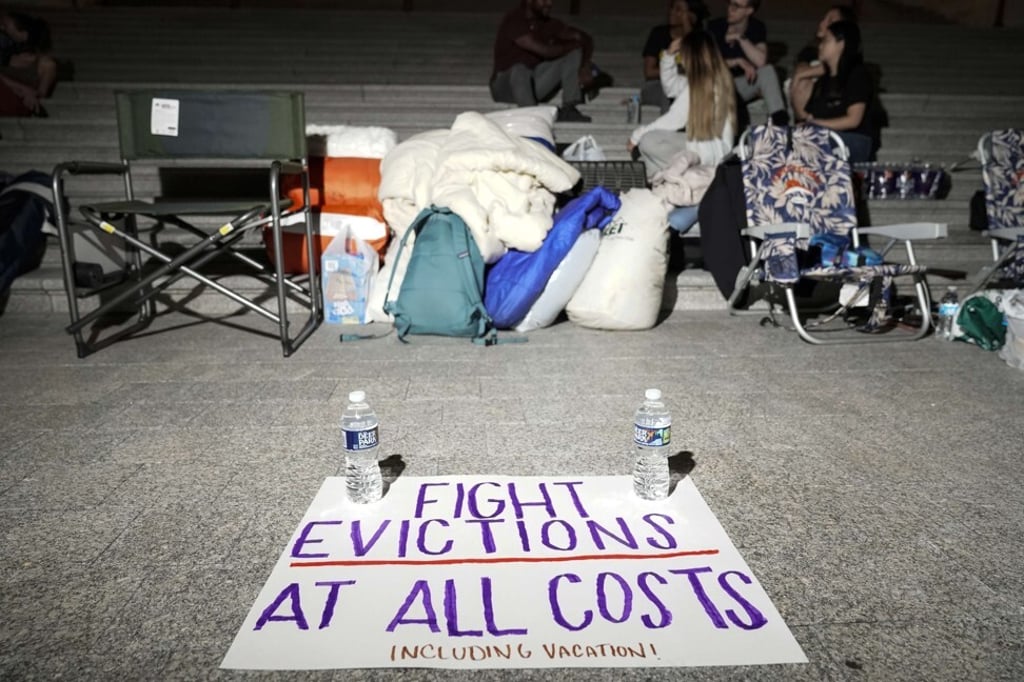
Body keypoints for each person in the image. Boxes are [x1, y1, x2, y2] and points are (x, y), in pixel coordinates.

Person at [629, 30, 737, 178]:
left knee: (649, 141)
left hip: (707, 153)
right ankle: (662, 180)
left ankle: (668, 179)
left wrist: (636, 136)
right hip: (711, 150)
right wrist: (669, 54)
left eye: (682, 54)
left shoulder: (700, 87)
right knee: (649, 150)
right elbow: (671, 88)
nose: (680, 59)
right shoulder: (714, 81)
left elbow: (673, 119)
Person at [490, 0, 610, 123]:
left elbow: (585, 38)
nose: (549, 3)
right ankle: (533, 119)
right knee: (520, 69)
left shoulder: (548, 24)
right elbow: (544, 51)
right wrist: (573, 45)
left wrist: (583, 66)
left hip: (533, 84)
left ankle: (569, 108)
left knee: (573, 54)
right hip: (505, 86)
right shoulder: (514, 20)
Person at [795, 20, 877, 163]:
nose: (820, 46)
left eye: (826, 40)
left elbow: (853, 120)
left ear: (841, 44)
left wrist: (816, 124)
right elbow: (809, 116)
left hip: (852, 140)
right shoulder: (823, 81)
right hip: (824, 136)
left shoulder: (858, 74)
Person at [707, 0, 788, 126]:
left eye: (736, 6)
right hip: (717, 84)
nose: (730, 9)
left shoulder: (756, 27)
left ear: (749, 10)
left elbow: (761, 61)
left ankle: (780, 124)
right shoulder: (715, 27)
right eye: (730, 3)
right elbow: (707, 62)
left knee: (768, 71)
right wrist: (737, 61)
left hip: (740, 85)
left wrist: (740, 37)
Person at [789, 4, 857, 123]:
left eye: (830, 20)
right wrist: (801, 75)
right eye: (823, 19)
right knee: (803, 81)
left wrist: (803, 74)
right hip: (809, 97)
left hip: (836, 100)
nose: (822, 24)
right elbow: (801, 69)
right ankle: (804, 126)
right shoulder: (811, 50)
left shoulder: (853, 59)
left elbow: (840, 67)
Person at [640, 0, 708, 114]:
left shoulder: (701, 39)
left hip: (687, 85)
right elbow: (649, 72)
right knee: (670, 91)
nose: (672, 12)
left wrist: (688, 27)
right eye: (672, 8)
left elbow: (697, 67)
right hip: (656, 85)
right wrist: (676, 70)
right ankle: (667, 129)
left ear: (692, 16)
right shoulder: (659, 33)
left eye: (679, 10)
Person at [0, 11, 57, 117]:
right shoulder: (4, 56)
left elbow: (41, 93)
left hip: (20, 101)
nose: (1, 28)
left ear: (23, 34)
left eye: (5, 25)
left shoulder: (45, 64)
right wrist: (21, 87)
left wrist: (27, 92)